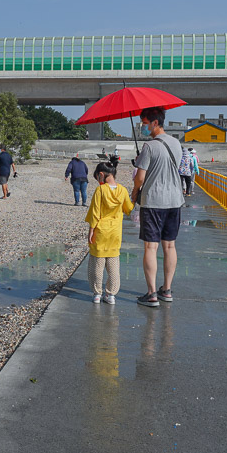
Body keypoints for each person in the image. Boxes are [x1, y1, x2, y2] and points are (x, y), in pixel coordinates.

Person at [131, 106, 185, 307]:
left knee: (150, 247)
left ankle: (152, 293)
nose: (142, 127)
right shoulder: (176, 143)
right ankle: (167, 290)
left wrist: (134, 194)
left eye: (144, 123)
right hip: (175, 200)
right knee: (170, 245)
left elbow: (140, 178)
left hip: (153, 201)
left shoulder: (149, 147)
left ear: (155, 123)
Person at [85, 162, 134, 304]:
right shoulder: (123, 190)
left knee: (97, 264)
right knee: (113, 264)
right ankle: (111, 294)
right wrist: (134, 196)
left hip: (100, 232)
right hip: (115, 233)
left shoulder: (100, 190)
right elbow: (128, 209)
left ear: (101, 174)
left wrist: (91, 230)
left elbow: (95, 212)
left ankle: (97, 293)